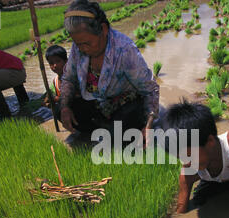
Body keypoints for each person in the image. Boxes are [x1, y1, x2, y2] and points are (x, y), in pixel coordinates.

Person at [58, 0, 159, 138]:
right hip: (97, 104)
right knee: (62, 110)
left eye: (87, 43)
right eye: (78, 44)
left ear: (103, 29)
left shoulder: (124, 49)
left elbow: (150, 89)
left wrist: (149, 125)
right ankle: (101, 130)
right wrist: (64, 107)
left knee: (121, 132)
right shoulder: (79, 47)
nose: (83, 49)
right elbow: (68, 78)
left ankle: (113, 132)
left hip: (124, 105)